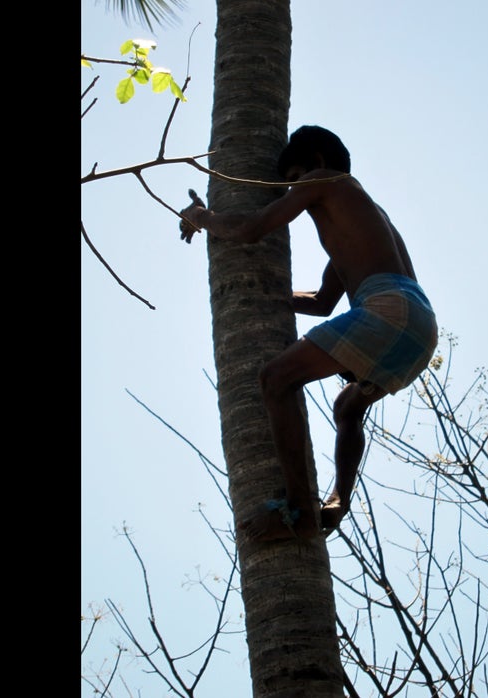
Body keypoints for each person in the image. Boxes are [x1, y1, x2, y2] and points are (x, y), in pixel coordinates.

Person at [179, 125, 438, 542]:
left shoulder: (325, 180)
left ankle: (298, 510)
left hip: (388, 310)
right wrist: (258, 294)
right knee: (348, 409)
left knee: (275, 379)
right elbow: (320, 302)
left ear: (315, 163)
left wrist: (203, 217)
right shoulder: (364, 218)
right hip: (420, 329)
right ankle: (338, 499)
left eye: (293, 181)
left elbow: (251, 229)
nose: (291, 194)